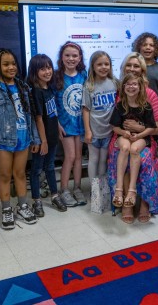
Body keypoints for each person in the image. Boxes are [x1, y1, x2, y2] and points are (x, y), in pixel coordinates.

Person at [0, 48, 40, 230]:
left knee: (20, 174)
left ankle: (23, 205)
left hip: (23, 138)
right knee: (5, 175)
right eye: (6, 64)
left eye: (13, 63)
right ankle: (6, 209)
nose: (11, 67)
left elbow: (30, 115)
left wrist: (35, 138)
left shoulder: (24, 87)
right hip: (4, 141)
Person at [106, 53, 158, 223]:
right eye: (129, 65)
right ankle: (126, 202)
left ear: (142, 69)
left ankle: (145, 203)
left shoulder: (150, 95)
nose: (132, 69)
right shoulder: (121, 92)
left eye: (136, 66)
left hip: (145, 139)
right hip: (121, 138)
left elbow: (157, 129)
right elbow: (115, 122)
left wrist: (138, 129)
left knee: (144, 159)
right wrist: (125, 132)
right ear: (124, 68)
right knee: (120, 155)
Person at [110, 74, 158, 211]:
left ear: (140, 87)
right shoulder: (120, 106)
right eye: (128, 84)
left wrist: (139, 136)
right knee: (124, 147)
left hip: (142, 137)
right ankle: (119, 189)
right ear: (123, 87)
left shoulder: (146, 106)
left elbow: (151, 127)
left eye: (134, 84)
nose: (131, 87)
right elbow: (115, 127)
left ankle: (131, 190)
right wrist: (124, 133)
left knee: (134, 150)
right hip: (124, 135)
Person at [27, 54, 67, 214]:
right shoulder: (36, 91)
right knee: (36, 170)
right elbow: (38, 118)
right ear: (35, 72)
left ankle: (54, 195)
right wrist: (43, 141)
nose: (47, 71)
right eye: (42, 69)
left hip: (52, 136)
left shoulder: (49, 88)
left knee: (50, 167)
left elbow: (52, 112)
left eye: (49, 67)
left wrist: (58, 126)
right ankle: (36, 200)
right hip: (42, 139)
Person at [132, 33, 158, 186]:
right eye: (144, 44)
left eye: (152, 45)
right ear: (139, 47)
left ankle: (150, 183)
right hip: (134, 118)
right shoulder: (134, 67)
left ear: (157, 49)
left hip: (154, 119)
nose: (148, 48)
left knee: (151, 153)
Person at [54, 41, 88, 207]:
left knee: (79, 157)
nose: (71, 58)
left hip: (81, 123)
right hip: (65, 124)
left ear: (80, 57)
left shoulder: (84, 75)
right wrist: (56, 123)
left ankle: (77, 188)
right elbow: (51, 102)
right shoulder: (56, 76)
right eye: (67, 55)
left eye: (74, 55)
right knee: (70, 156)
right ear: (62, 57)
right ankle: (64, 189)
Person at [83, 51, 117, 197]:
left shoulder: (115, 83)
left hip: (108, 132)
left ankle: (102, 188)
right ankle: (94, 189)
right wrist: (88, 131)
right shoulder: (89, 86)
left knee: (104, 160)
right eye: (99, 64)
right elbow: (85, 110)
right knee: (93, 159)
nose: (103, 67)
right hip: (94, 132)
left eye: (106, 64)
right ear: (93, 66)